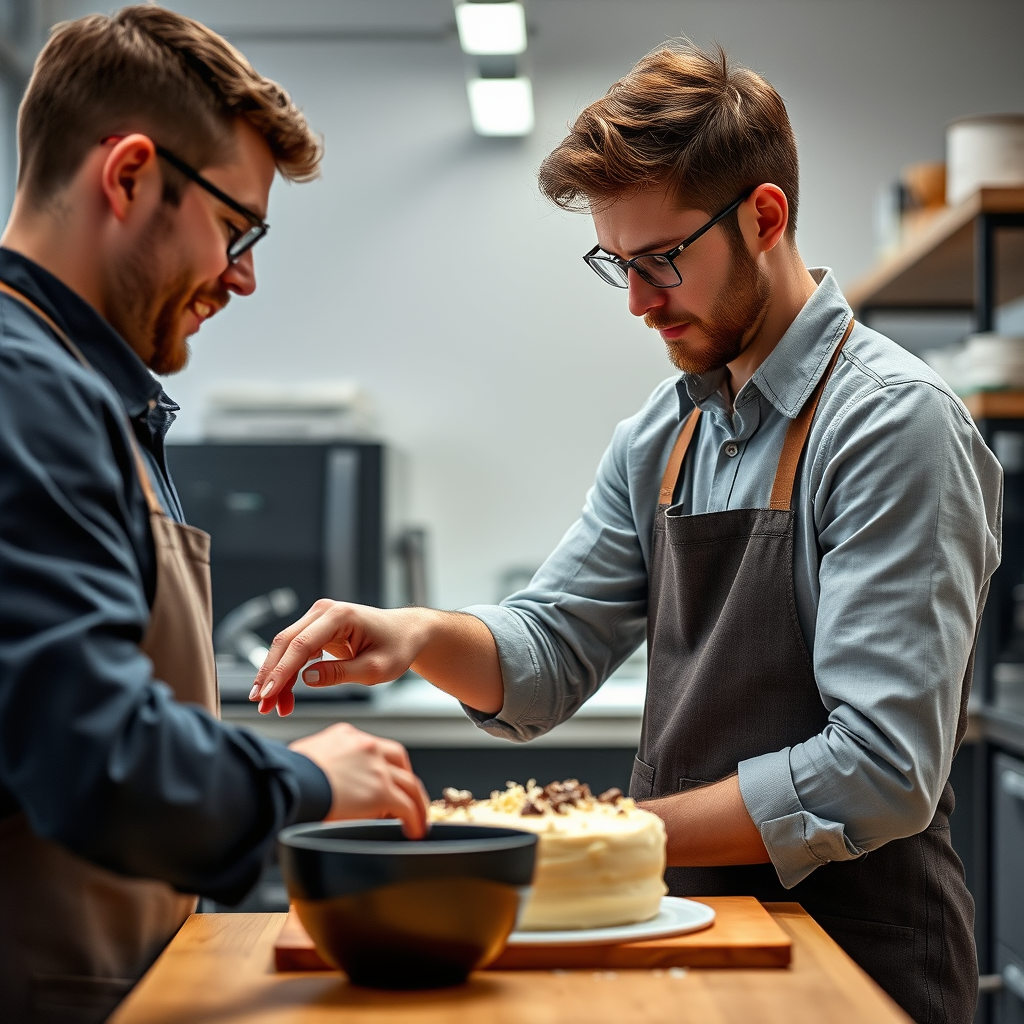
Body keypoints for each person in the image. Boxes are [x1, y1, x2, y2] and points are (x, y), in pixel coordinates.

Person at [254, 41, 1002, 1024]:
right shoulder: (665, 431)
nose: (642, 303)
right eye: (620, 264)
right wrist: (413, 635)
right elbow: (556, 643)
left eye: (662, 261)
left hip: (858, 968)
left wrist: (607, 833)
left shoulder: (891, 425)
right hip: (687, 938)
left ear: (764, 217)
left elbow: (877, 769)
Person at [0, 8, 428, 1022]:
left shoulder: (85, 390)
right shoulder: (26, 394)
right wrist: (303, 780)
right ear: (131, 175)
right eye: (238, 230)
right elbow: (95, 752)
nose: (242, 275)